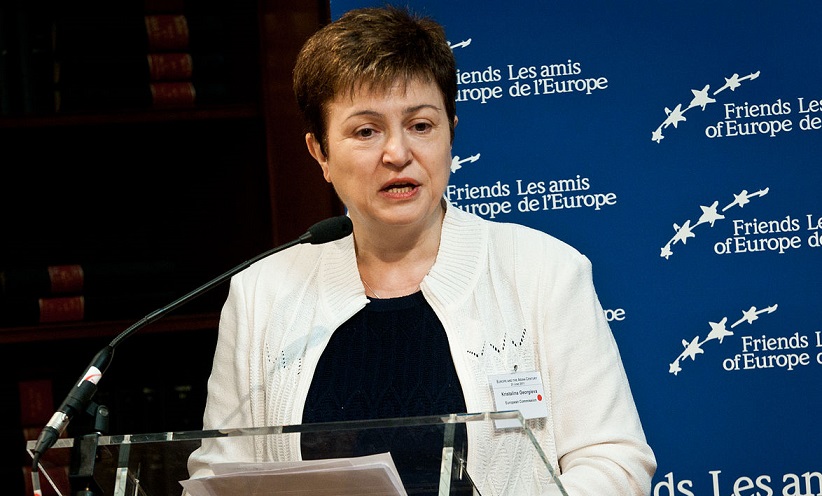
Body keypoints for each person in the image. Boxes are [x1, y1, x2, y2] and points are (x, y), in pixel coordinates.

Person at [187, 5, 656, 495]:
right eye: (366, 131)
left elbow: (614, 463)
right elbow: (216, 480)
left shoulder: (545, 271)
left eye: (421, 125)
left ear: (451, 131)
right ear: (320, 152)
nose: (397, 153)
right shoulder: (260, 294)